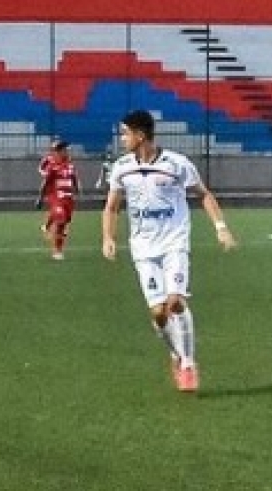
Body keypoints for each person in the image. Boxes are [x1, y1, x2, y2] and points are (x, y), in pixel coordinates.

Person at [101, 109, 237, 393]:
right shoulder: (122, 167)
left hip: (174, 242)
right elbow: (111, 206)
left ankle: (188, 363)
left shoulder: (177, 164)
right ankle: (176, 353)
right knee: (159, 313)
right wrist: (108, 238)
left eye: (125, 133)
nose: (122, 138)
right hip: (143, 248)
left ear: (140, 135)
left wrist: (221, 227)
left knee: (175, 302)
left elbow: (203, 194)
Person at [36, 139, 80, 261]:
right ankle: (57, 251)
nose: (66, 151)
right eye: (64, 149)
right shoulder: (51, 164)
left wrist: (77, 188)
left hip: (68, 198)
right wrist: (40, 198)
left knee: (65, 222)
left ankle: (47, 227)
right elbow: (45, 181)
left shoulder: (70, 164)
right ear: (58, 151)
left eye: (66, 149)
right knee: (60, 221)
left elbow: (74, 177)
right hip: (56, 197)